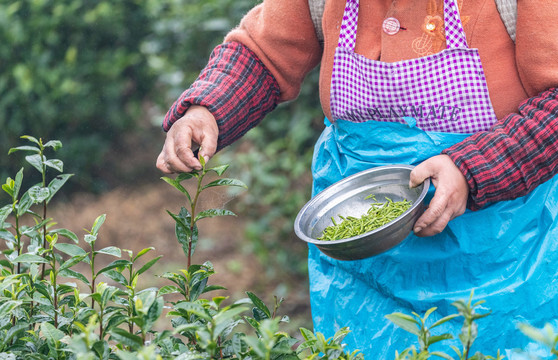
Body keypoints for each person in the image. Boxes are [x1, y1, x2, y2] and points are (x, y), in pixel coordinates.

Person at [157, 0, 558, 357]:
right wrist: (205, 110)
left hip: (498, 260)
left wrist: (472, 169)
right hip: (364, 271)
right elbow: (264, 52)